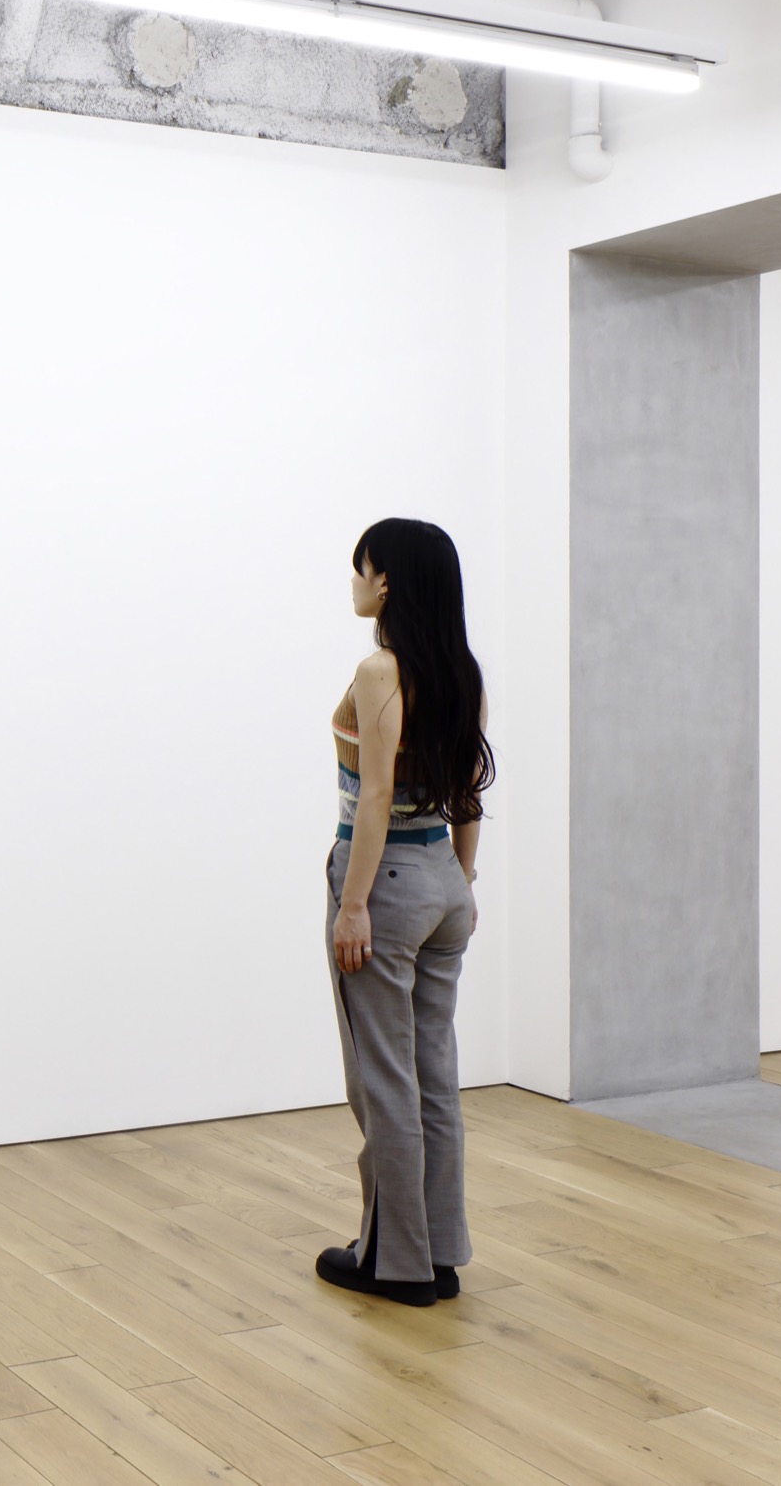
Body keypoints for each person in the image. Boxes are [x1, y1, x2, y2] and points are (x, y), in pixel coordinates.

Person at [319, 517, 492, 1308]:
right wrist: (462, 879)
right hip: (443, 880)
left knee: (384, 1079)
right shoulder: (464, 672)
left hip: (384, 882)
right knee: (433, 1076)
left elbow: (376, 794)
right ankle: (440, 1253)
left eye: (361, 567)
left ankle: (394, 1261)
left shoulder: (379, 670)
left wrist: (354, 903)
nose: (355, 581)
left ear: (385, 580)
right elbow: (467, 787)